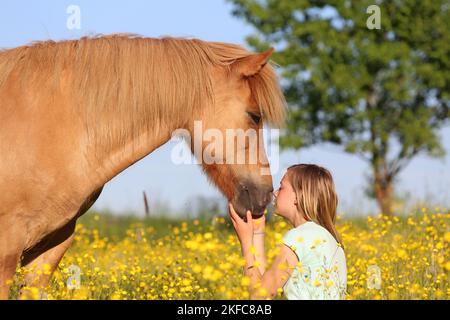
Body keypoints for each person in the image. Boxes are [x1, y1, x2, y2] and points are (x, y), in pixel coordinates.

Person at [228, 164, 347, 300]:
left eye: (282, 187)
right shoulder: (325, 238)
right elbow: (265, 286)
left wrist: (246, 242)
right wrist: (257, 233)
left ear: (298, 196)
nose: (275, 192)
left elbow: (258, 297)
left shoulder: (300, 237)